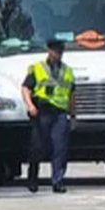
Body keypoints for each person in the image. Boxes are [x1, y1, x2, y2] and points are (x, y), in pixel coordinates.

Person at [21, 38, 75, 194]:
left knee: (60, 148)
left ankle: (57, 181)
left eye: (61, 51)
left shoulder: (68, 71)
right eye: (56, 50)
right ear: (49, 50)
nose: (59, 54)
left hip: (60, 113)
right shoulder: (38, 68)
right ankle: (33, 178)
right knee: (38, 147)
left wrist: (73, 115)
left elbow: (72, 94)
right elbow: (25, 88)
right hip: (42, 112)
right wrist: (30, 105)